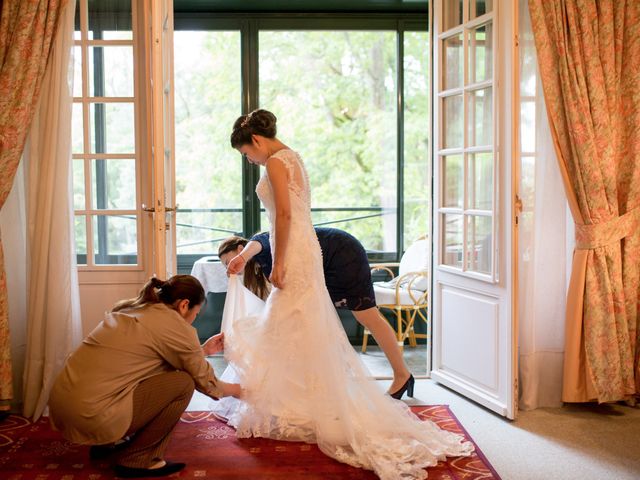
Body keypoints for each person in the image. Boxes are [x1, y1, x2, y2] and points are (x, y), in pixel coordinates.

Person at [211, 109, 472, 480]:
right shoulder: (293, 157)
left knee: (289, 316)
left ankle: (286, 397)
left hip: (298, 250)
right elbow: (281, 220)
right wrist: (256, 253)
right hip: (307, 246)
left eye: (245, 154)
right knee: (296, 320)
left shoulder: (274, 164)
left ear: (255, 141)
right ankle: (294, 398)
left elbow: (283, 217)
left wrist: (279, 261)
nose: (249, 160)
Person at [48, 275, 241, 478]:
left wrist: (201, 352)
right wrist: (240, 391)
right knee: (183, 383)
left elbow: (144, 363)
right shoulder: (176, 325)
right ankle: (139, 459)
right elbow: (209, 384)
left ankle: (104, 444)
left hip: (62, 406)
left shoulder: (132, 309)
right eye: (196, 313)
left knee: (127, 376)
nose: (194, 318)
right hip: (92, 416)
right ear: (184, 305)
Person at [217, 228, 414, 398]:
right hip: (321, 263)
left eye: (229, 261)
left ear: (240, 249)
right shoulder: (259, 267)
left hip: (341, 253)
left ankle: (402, 375)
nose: (230, 266)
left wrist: (242, 258)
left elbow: (257, 243)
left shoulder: (259, 244)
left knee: (367, 316)